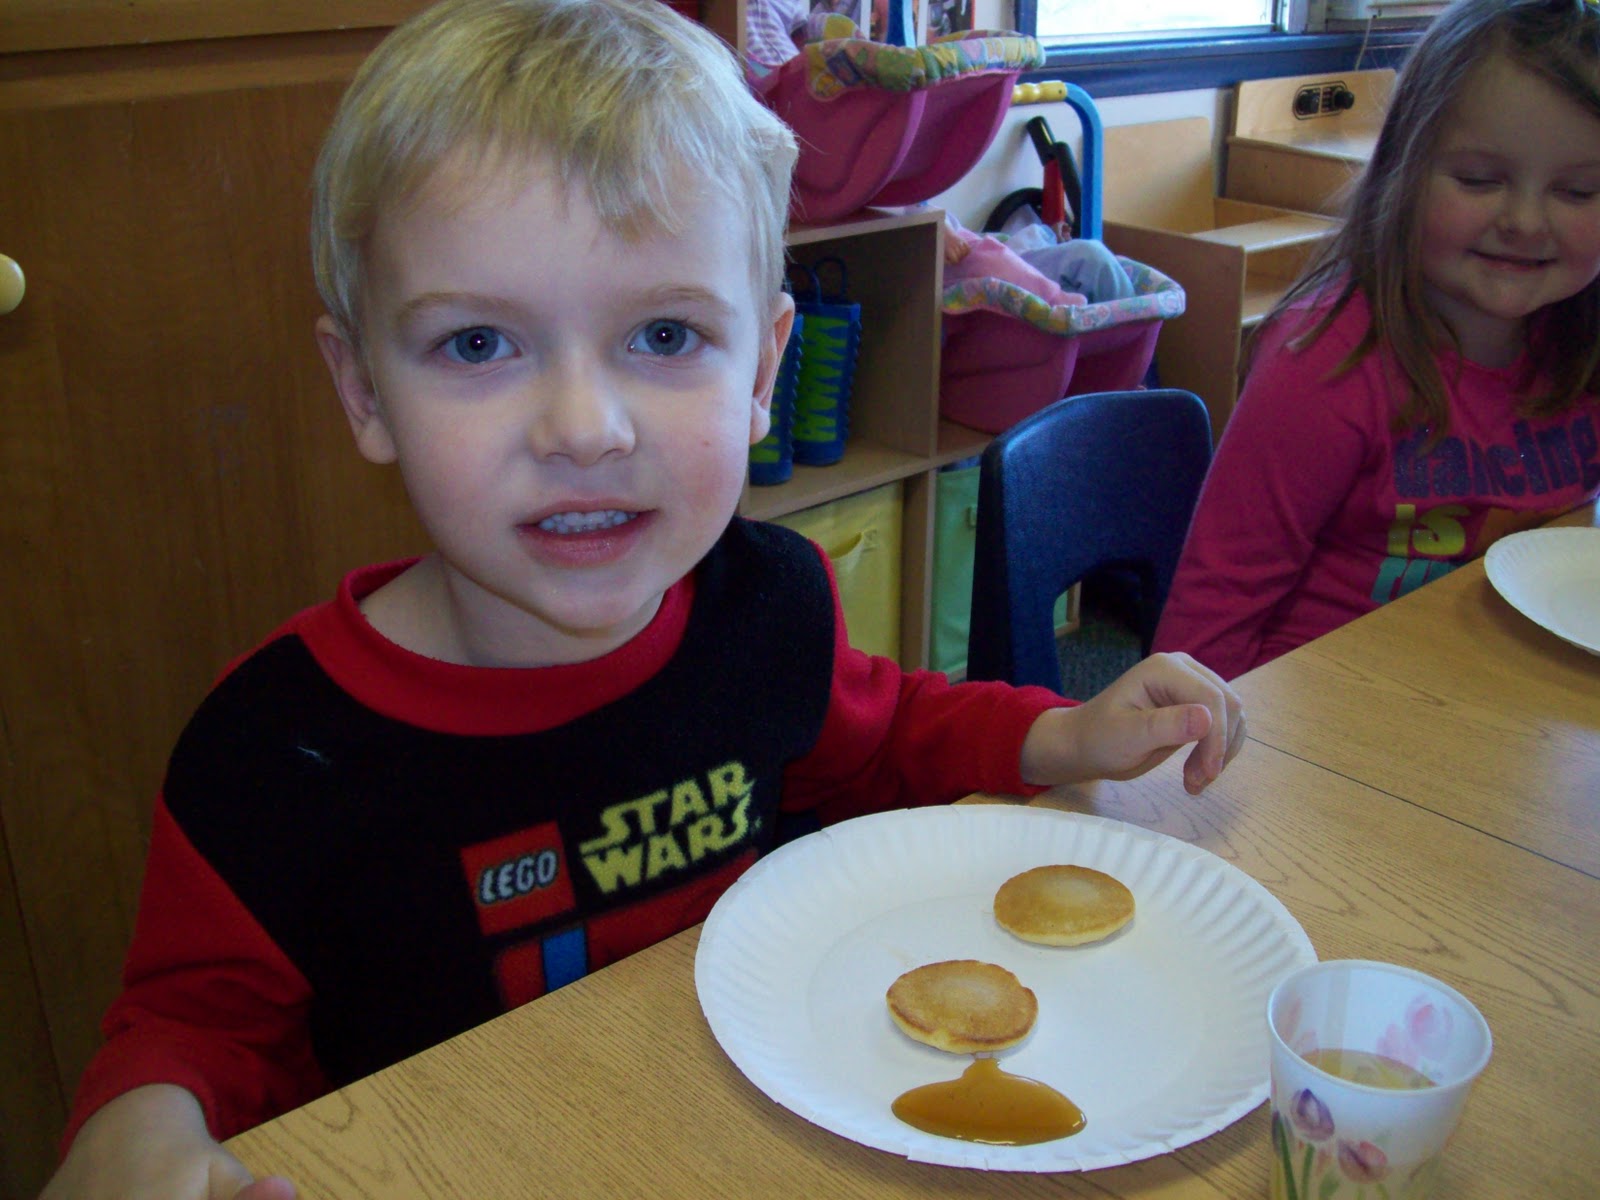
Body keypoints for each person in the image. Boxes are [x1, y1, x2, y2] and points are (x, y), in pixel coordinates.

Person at [39, 1, 1244, 1196]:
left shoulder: (767, 608)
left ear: (765, 370)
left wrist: (1060, 730)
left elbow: (889, 739)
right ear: (361, 390)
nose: (584, 429)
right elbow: (194, 1027)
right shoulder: (267, 752)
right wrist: (139, 1127)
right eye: (477, 347)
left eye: (664, 335)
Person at [1154, 0, 1600, 681]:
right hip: (1321, 727)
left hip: (1501, 698)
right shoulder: (1325, 366)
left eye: (1579, 191)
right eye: (1480, 180)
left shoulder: (1583, 343)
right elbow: (1205, 635)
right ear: (1402, 171)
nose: (1525, 221)